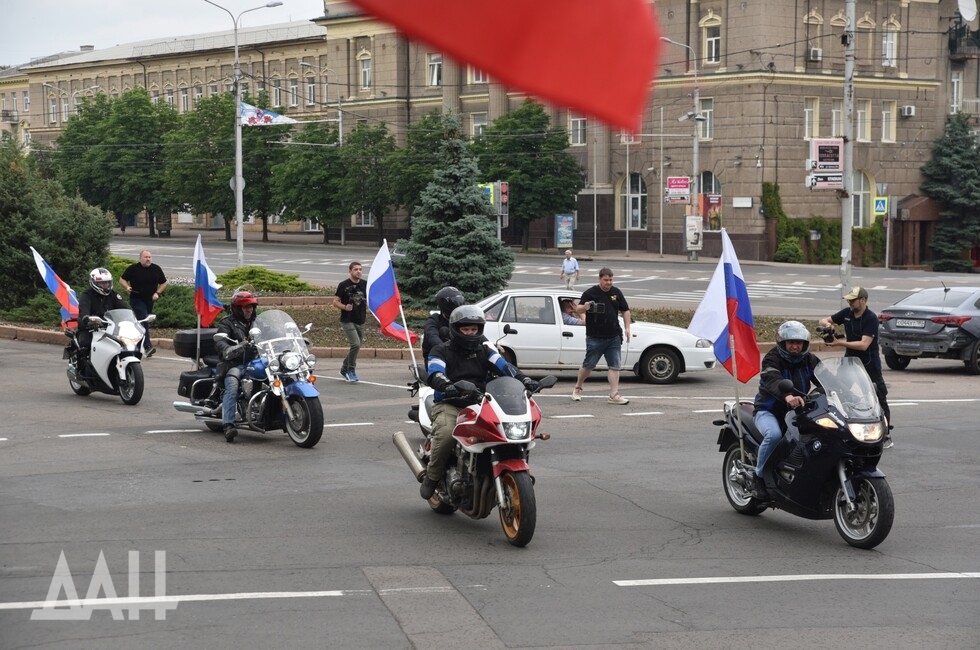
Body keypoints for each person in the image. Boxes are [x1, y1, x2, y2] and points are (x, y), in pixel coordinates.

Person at [420, 305, 540, 499]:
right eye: (465, 329)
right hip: (451, 402)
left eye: (474, 329)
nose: (470, 333)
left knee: (501, 432)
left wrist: (524, 379)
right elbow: (436, 373)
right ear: (455, 329)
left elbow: (503, 366)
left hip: (481, 401)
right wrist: (446, 385)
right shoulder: (440, 350)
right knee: (446, 434)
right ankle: (432, 478)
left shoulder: (484, 348)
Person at [751, 320, 820, 498]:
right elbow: (772, 378)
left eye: (798, 343)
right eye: (791, 343)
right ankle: (758, 478)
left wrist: (848, 391)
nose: (795, 347)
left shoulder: (809, 359)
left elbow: (824, 376)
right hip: (768, 411)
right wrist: (787, 396)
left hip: (797, 412)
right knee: (773, 435)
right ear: (783, 344)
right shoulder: (772, 358)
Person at [819, 286, 893, 448]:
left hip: (869, 364)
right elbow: (824, 320)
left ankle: (885, 433)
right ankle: (844, 430)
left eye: (853, 300)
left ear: (863, 300)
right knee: (837, 392)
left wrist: (839, 343)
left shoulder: (871, 318)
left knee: (878, 397)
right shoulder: (847, 313)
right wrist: (828, 325)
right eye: (849, 300)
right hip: (850, 363)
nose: (850, 303)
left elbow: (864, 344)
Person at [571, 267, 631, 405]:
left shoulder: (616, 292)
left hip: (613, 336)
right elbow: (577, 309)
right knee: (588, 365)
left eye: (610, 280)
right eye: (606, 280)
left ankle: (614, 394)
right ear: (599, 279)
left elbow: (626, 311)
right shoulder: (591, 293)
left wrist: (627, 328)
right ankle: (578, 387)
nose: (608, 282)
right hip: (595, 337)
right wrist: (585, 307)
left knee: (615, 365)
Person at [213, 290, 259, 443]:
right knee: (232, 385)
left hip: (255, 362)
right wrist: (227, 348)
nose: (250, 309)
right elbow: (220, 342)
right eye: (246, 307)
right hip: (234, 363)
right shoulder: (227, 323)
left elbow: (272, 333)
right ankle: (228, 425)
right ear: (238, 308)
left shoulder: (257, 322)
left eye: (252, 306)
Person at [120, 249, 167, 357]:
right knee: (143, 319)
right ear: (140, 258)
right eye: (145, 257)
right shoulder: (133, 269)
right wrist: (127, 287)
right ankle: (147, 347)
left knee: (139, 323)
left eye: (149, 257)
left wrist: (158, 293)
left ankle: (133, 344)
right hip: (136, 298)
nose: (148, 259)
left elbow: (164, 283)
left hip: (149, 300)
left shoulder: (156, 269)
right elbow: (122, 279)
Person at [76, 267, 127, 366]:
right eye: (102, 283)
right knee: (85, 344)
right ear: (94, 283)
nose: (106, 285)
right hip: (91, 327)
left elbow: (123, 308)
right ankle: (82, 370)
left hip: (110, 327)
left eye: (107, 282)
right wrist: (87, 318)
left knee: (124, 344)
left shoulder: (113, 295)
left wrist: (131, 318)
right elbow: (84, 309)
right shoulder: (87, 295)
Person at [333, 262, 367, 382]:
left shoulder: (364, 284)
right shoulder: (343, 285)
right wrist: (344, 307)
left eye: (360, 269)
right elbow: (335, 301)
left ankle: (343, 369)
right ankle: (350, 370)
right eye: (356, 269)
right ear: (350, 271)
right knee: (355, 344)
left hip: (360, 320)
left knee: (356, 347)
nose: (358, 271)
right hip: (347, 320)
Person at [422, 286, 465, 360]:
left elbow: (473, 333)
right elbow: (432, 336)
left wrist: (487, 344)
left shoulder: (460, 319)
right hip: (437, 356)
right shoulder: (434, 320)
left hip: (459, 356)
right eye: (456, 300)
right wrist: (444, 349)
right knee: (444, 330)